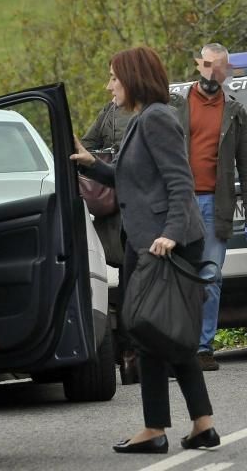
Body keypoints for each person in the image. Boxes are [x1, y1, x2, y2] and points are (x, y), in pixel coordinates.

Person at [71, 46, 219, 454]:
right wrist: (89, 164)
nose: (109, 86)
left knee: (151, 330)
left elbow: (179, 181)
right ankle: (198, 424)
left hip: (163, 243)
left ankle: (158, 429)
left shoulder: (156, 119)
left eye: (114, 78)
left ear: (133, 78)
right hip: (146, 241)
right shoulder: (143, 120)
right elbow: (131, 178)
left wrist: (170, 234)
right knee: (157, 330)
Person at [170, 43, 247, 371]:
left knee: (210, 275)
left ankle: (203, 348)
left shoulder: (235, 111)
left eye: (217, 67)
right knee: (180, 276)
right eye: (206, 65)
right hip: (179, 203)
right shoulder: (176, 105)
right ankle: (179, 345)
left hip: (215, 203)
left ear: (225, 72)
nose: (211, 72)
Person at [81, 97, 137, 383]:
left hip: (128, 212)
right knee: (134, 285)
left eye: (114, 79)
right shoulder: (111, 111)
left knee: (131, 285)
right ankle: (133, 356)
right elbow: (87, 147)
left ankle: (131, 356)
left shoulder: (118, 112)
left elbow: (86, 147)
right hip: (124, 213)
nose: (109, 86)